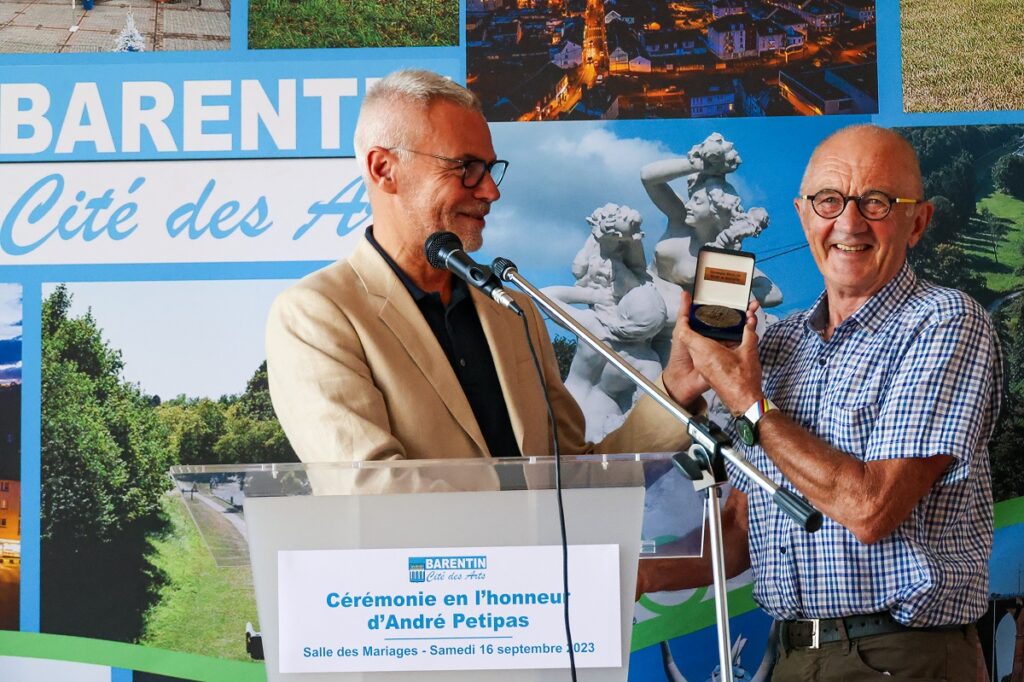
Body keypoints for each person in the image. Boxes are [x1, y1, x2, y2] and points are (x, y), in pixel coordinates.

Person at [638, 124, 1002, 681]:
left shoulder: (944, 322)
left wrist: (749, 402)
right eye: (829, 201)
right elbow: (736, 533)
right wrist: (626, 573)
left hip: (900, 658)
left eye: (877, 202)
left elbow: (870, 508)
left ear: (918, 222)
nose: (849, 223)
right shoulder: (780, 346)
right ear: (805, 214)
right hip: (792, 657)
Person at [265, 69, 708, 493]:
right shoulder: (315, 315)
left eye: (490, 169)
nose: (491, 192)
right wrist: (522, 528)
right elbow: (372, 491)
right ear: (384, 169)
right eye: (466, 167)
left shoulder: (515, 313)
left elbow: (574, 480)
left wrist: (675, 393)